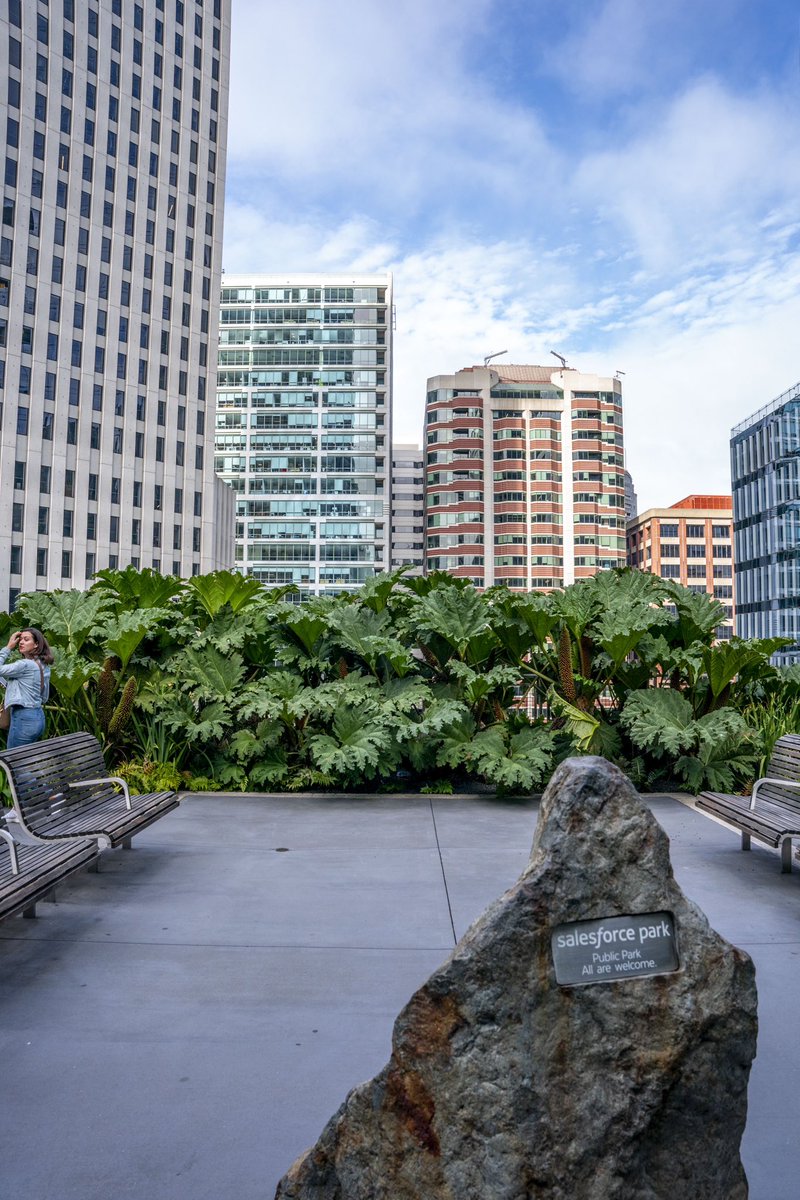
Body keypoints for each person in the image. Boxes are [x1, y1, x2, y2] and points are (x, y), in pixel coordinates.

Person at [0, 628, 54, 749]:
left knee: (14, 761)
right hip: (38, 716)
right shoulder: (43, 665)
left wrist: (8, 647)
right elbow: (44, 697)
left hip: (23, 717)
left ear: (36, 644)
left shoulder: (25, 664)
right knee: (27, 760)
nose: (20, 642)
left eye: (26, 639)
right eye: (20, 639)